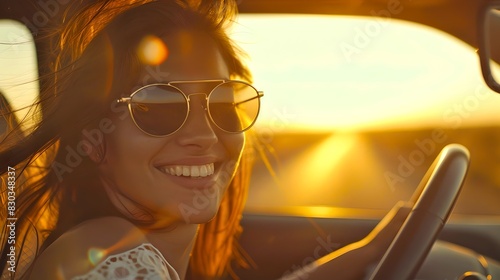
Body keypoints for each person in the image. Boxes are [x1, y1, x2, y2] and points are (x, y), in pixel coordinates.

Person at [0, 0, 411, 279]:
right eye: (157, 107)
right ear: (93, 140)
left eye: (224, 102)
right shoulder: (112, 257)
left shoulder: (114, 246)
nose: (204, 133)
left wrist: (366, 255)